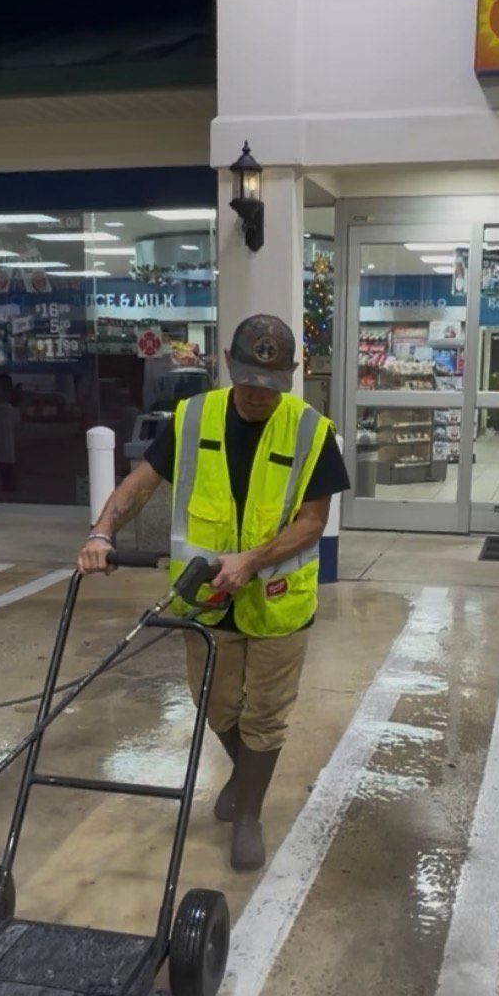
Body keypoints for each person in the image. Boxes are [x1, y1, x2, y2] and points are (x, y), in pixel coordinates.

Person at [77, 314, 350, 872]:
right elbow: (140, 484)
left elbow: (313, 521)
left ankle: (248, 813)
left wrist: (253, 560)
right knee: (216, 704)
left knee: (266, 716)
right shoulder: (192, 418)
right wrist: (102, 532)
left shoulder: (310, 430)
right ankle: (245, 776)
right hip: (205, 599)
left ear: (292, 376)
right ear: (228, 362)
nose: (257, 395)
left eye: (271, 385)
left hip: (278, 598)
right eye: (248, 380)